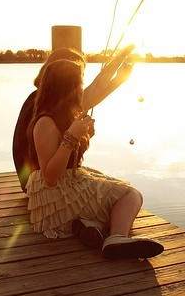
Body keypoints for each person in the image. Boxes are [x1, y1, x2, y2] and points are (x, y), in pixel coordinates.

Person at [25, 59, 164, 259]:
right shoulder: (45, 122)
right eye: (79, 84)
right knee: (131, 195)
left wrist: (85, 135)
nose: (82, 89)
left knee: (112, 192)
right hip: (54, 196)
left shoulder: (67, 113)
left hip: (65, 187)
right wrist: (72, 136)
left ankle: (87, 226)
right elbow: (50, 176)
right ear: (67, 88)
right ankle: (116, 238)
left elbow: (100, 89)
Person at [12, 45, 134, 193]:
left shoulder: (45, 99)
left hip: (41, 179)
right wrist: (120, 57)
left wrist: (120, 78)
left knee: (106, 180)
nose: (79, 85)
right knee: (126, 193)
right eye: (77, 77)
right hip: (39, 185)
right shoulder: (42, 104)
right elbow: (92, 93)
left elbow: (90, 96)